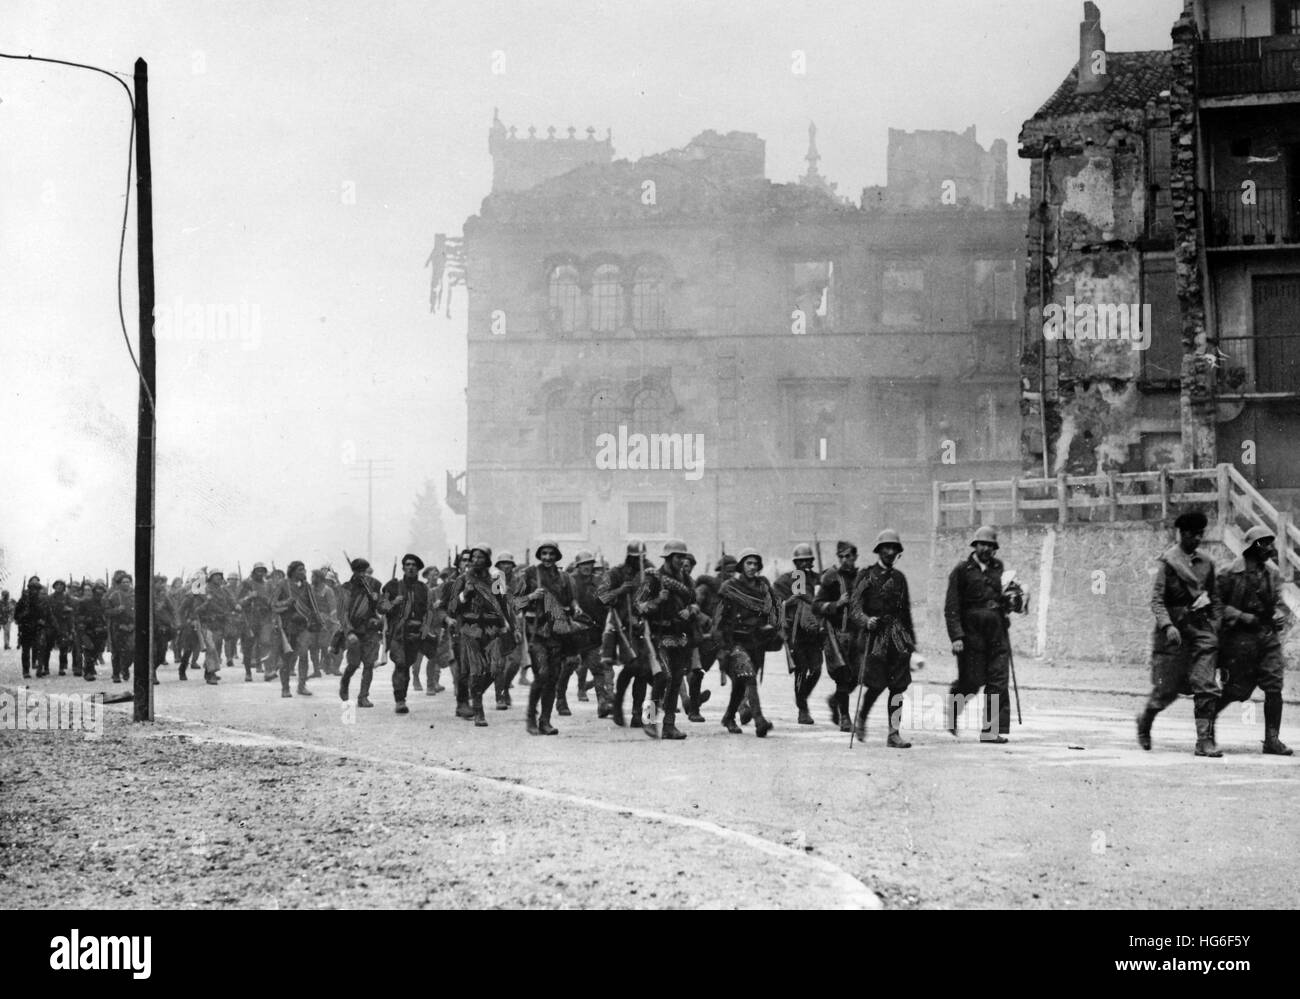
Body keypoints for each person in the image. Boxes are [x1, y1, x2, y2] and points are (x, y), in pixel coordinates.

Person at [1138, 511, 1224, 757]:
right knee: (1167, 691)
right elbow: (1157, 601)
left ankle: (1204, 741)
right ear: (1181, 534)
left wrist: (1214, 626)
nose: (1197, 538)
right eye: (1192, 534)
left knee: (1206, 685)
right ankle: (1145, 720)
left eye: (1200, 534)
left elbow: (1215, 599)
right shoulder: (1168, 563)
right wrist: (1168, 625)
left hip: (1200, 630)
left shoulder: (1207, 563)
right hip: (1173, 634)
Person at [1212, 525, 1291, 755]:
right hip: (1240, 641)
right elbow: (1215, 605)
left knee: (1274, 686)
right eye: (1264, 543)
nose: (1269, 548)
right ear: (1251, 547)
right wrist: (1242, 616)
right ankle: (1207, 722)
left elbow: (1278, 604)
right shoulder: (1228, 573)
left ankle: (1272, 740)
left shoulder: (1272, 575)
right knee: (1238, 691)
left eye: (1270, 543)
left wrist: (1279, 617)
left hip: (1268, 639)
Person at [944, 526, 1012, 743]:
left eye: (991, 546)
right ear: (975, 546)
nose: (987, 549)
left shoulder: (998, 568)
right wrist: (956, 637)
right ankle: (955, 706)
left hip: (997, 632)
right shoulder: (961, 571)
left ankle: (990, 731)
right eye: (983, 544)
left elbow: (1002, 596)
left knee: (998, 680)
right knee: (972, 681)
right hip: (971, 634)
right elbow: (952, 607)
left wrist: (1009, 603)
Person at [849, 530, 916, 748]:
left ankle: (893, 733)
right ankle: (862, 717)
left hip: (897, 638)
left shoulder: (899, 578)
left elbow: (906, 612)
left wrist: (911, 642)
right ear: (879, 550)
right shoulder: (866, 575)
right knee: (876, 685)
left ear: (898, 552)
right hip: (874, 637)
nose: (890, 552)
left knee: (898, 687)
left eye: (894, 549)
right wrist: (865, 620)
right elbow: (855, 607)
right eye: (886, 548)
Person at [635, 539, 701, 740]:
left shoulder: (687, 581)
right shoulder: (654, 578)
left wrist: (689, 611)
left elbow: (696, 604)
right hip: (657, 635)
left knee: (676, 681)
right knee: (663, 677)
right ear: (669, 557)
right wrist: (658, 600)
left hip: (680, 636)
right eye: (677, 557)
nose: (681, 561)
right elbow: (639, 605)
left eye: (683, 556)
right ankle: (649, 720)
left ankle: (669, 726)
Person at [515, 540, 581, 735]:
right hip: (536, 633)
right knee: (542, 674)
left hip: (558, 633)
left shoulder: (564, 578)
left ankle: (545, 721)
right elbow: (514, 603)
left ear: (557, 556)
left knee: (552, 678)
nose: (547, 557)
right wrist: (532, 597)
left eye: (551, 554)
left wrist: (576, 607)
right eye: (544, 553)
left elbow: (571, 600)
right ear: (539, 555)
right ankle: (530, 717)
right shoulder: (528, 575)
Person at [714, 548, 777, 737]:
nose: (752, 567)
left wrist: (771, 627)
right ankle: (759, 720)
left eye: (755, 564)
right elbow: (719, 618)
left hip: (755, 641)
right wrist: (722, 647)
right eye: (748, 563)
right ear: (741, 566)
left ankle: (729, 717)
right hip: (734, 642)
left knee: (741, 685)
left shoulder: (763, 586)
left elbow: (772, 609)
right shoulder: (729, 587)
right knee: (749, 676)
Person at [450, 543, 512, 727]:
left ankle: (472, 693)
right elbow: (452, 606)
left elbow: (502, 605)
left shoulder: (495, 580)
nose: (476, 560)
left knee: (496, 668)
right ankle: (479, 711)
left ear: (487, 560)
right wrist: (465, 594)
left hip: (492, 629)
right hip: (470, 629)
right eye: (473, 557)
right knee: (476, 670)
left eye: (480, 557)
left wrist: (507, 626)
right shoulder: (462, 579)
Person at [599, 541, 652, 728]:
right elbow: (602, 597)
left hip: (646, 626)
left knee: (647, 671)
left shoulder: (650, 571)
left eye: (642, 558)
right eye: (636, 558)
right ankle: (618, 706)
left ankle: (641, 715)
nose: (640, 562)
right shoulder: (616, 573)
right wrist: (620, 590)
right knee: (634, 666)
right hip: (622, 627)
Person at [813, 541, 860, 732]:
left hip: (856, 632)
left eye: (849, 556)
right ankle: (845, 717)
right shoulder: (831, 577)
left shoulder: (861, 577)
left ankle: (835, 701)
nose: (845, 560)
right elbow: (816, 605)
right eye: (841, 556)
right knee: (842, 675)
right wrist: (836, 604)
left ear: (855, 557)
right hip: (835, 633)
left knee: (856, 677)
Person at [774, 544, 823, 725]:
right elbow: (774, 606)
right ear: (795, 562)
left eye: (808, 560)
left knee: (817, 669)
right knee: (801, 670)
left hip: (814, 632)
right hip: (795, 632)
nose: (804, 564)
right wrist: (789, 602)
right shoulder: (785, 581)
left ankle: (801, 697)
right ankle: (803, 709)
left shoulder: (818, 580)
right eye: (801, 561)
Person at [381, 554, 429, 714]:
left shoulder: (423, 589)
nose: (410, 567)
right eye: (407, 564)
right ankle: (400, 700)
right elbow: (381, 607)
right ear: (403, 568)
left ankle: (402, 697)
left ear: (418, 569)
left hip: (415, 633)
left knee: (407, 665)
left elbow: (428, 612)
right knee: (400, 664)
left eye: (414, 565)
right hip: (398, 633)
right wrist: (393, 602)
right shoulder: (393, 586)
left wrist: (425, 630)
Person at [567, 550, 611, 717]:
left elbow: (606, 602)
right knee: (569, 665)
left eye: (589, 564)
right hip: (574, 631)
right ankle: (560, 697)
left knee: (597, 667)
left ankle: (602, 702)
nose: (586, 567)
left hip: (594, 631)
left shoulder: (599, 582)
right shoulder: (570, 581)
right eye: (583, 564)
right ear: (578, 566)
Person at [338, 558, 384, 708]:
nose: (362, 575)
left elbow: (383, 607)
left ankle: (363, 696)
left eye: (364, 571)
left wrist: (384, 605)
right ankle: (344, 683)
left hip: (370, 629)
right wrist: (349, 632)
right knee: (353, 664)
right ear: (354, 571)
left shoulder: (375, 585)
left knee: (369, 664)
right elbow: (342, 613)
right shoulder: (346, 588)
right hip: (354, 630)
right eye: (359, 571)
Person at [272, 561, 322, 698]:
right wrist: (286, 603)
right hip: (287, 625)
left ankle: (301, 686)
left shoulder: (306, 586)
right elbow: (273, 604)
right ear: (292, 571)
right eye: (300, 569)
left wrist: (317, 620)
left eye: (304, 569)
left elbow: (313, 605)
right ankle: (285, 688)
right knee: (287, 658)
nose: (303, 572)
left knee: (304, 655)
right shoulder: (283, 584)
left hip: (303, 625)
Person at [488, 553, 522, 708]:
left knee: (515, 661)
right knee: (499, 663)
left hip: (516, 623)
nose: (506, 566)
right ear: (498, 566)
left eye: (509, 563)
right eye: (503, 564)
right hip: (499, 624)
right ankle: (500, 696)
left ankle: (506, 686)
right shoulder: (496, 579)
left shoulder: (519, 580)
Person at [237, 563, 277, 682]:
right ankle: (248, 672)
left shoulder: (268, 585)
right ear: (253, 572)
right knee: (248, 647)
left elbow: (272, 601)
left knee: (265, 643)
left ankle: (268, 671)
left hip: (264, 618)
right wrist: (249, 598)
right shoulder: (246, 584)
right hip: (250, 619)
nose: (260, 573)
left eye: (262, 571)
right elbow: (238, 601)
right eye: (258, 571)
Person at [105, 572, 136, 684]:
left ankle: (125, 668)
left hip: (132, 627)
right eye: (123, 582)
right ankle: (116, 674)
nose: (126, 584)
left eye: (128, 582)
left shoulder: (135, 595)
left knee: (132, 650)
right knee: (117, 651)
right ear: (119, 584)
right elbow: (106, 611)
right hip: (118, 627)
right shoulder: (113, 596)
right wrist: (117, 610)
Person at [308, 569, 338, 678]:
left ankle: (328, 665)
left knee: (324, 645)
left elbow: (333, 607)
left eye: (314, 577)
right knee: (313, 646)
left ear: (319, 578)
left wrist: (331, 621)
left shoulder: (328, 590)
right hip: (312, 621)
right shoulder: (310, 590)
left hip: (325, 622)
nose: (312, 579)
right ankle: (316, 670)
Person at [16, 577, 49, 678]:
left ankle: (39, 669)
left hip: (37, 628)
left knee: (40, 648)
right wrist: (24, 615)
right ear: (29, 589)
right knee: (26, 651)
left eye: (36, 588)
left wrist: (42, 621)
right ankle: (26, 671)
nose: (34, 590)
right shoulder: (23, 601)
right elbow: (16, 616)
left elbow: (46, 614)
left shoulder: (42, 601)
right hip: (26, 628)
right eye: (32, 588)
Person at [75, 583, 109, 681]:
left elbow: (106, 616)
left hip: (100, 631)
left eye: (101, 594)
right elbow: (77, 616)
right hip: (88, 630)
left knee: (97, 651)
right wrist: (86, 620)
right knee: (89, 650)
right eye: (97, 593)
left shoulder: (103, 604)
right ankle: (87, 672)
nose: (99, 596)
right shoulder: (84, 603)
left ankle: (91, 668)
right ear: (93, 593)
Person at [46, 580, 78, 676]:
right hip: (52, 623)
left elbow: (72, 608)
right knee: (48, 646)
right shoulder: (50, 597)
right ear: (54, 586)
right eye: (57, 585)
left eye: (61, 585)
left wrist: (69, 610)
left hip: (63, 623)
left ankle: (62, 667)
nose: (59, 587)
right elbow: (48, 609)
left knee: (63, 646)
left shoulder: (67, 597)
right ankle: (45, 667)